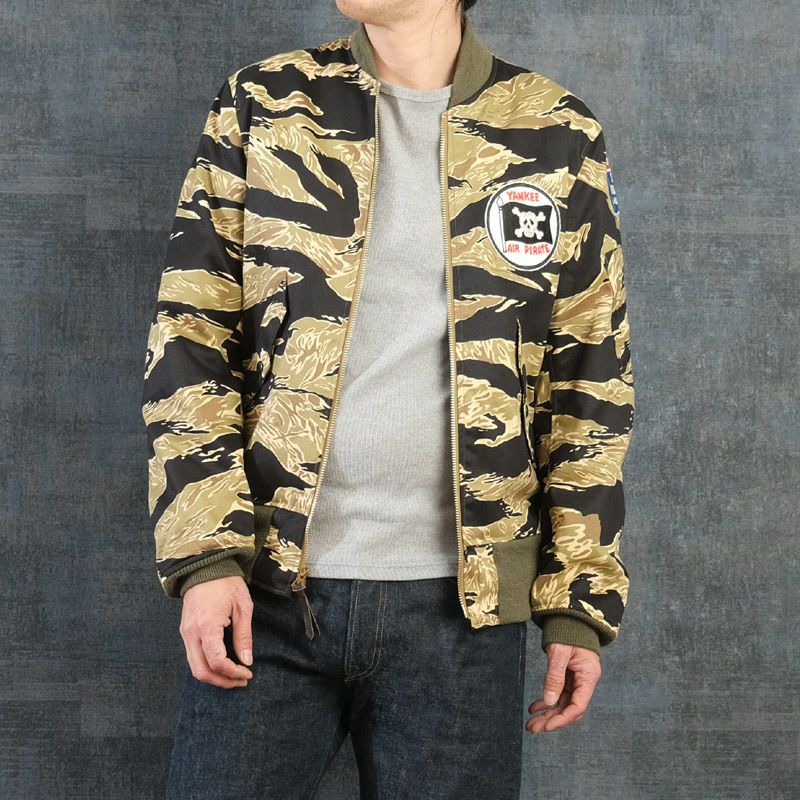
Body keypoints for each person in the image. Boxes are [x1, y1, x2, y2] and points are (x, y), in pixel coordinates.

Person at [140, 0, 635, 797]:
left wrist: (577, 597)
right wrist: (206, 560)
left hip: (464, 614)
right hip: (266, 594)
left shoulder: (555, 131)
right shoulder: (264, 104)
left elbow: (589, 381)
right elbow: (191, 339)